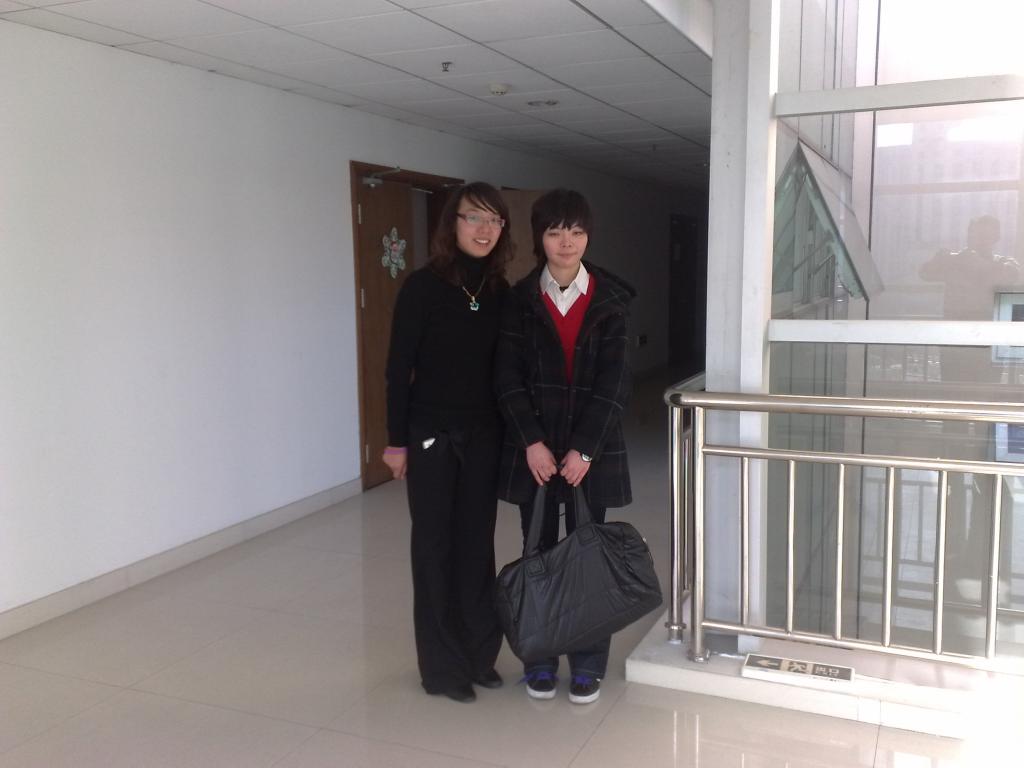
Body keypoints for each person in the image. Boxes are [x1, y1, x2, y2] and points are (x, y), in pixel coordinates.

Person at [494, 188, 636, 705]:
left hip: (587, 455)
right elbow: (506, 378)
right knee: (537, 554)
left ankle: (588, 663)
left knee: (587, 560)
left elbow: (615, 384)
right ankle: (539, 658)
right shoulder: (518, 300)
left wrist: (585, 450)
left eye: (575, 231)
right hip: (534, 452)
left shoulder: (611, 301)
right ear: (541, 237)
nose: (566, 242)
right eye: (555, 231)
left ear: (588, 236)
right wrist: (531, 442)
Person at [383, 182, 512, 703]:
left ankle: (479, 655)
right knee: (435, 547)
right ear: (452, 223)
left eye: (494, 220)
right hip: (431, 436)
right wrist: (396, 442)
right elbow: (398, 370)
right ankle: (441, 667)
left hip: (484, 436)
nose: (484, 229)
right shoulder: (421, 287)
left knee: (477, 545)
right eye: (473, 217)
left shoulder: (501, 291)